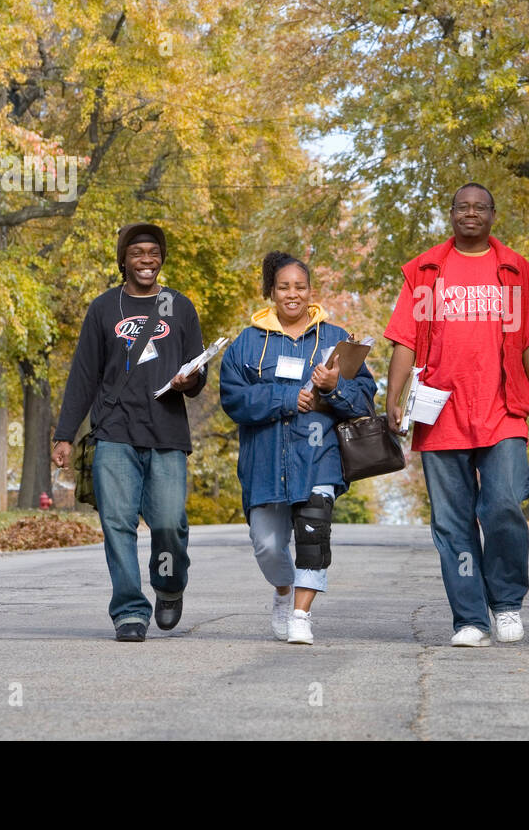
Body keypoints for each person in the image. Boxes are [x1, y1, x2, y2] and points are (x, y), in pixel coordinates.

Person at [384, 182, 529, 647]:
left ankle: (506, 603)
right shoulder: (426, 270)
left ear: (493, 214)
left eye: (480, 207)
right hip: (439, 412)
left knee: (502, 504)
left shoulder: (516, 271)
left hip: (502, 409)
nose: (471, 214)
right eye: (463, 207)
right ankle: (470, 619)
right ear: (452, 214)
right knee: (452, 520)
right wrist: (392, 396)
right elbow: (405, 339)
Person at [52, 222, 207, 642]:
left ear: (162, 259)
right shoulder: (103, 308)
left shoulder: (181, 307)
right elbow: (83, 376)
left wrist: (187, 380)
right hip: (114, 432)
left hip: (167, 432)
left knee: (169, 522)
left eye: (153, 252)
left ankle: (169, 585)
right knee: (117, 523)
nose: (146, 260)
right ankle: (129, 611)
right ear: (123, 259)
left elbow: (199, 371)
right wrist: (64, 434)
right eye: (137, 252)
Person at [220, 252, 377, 645]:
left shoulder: (336, 340)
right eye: (284, 287)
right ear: (271, 291)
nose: (293, 294)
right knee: (268, 545)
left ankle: (301, 615)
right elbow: (234, 400)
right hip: (265, 461)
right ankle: (283, 589)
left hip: (317, 455)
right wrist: (288, 398)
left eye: (300, 287)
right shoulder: (247, 343)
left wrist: (333, 387)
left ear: (311, 291)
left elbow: (364, 399)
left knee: (313, 533)